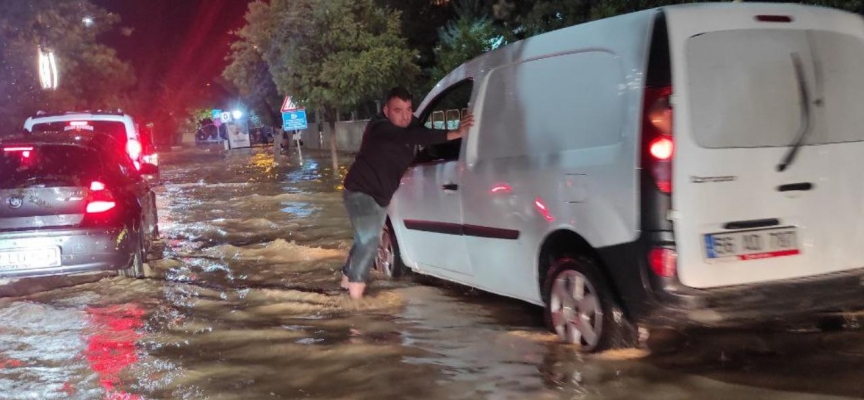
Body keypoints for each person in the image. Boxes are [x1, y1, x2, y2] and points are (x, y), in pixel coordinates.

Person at [340, 87, 473, 299]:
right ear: (386, 111)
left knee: (363, 240)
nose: (404, 116)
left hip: (380, 196)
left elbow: (426, 136)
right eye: (397, 110)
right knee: (369, 240)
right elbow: (415, 135)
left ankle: (345, 284)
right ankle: (355, 304)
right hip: (359, 192)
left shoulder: (410, 124)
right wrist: (456, 132)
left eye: (408, 110)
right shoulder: (379, 127)